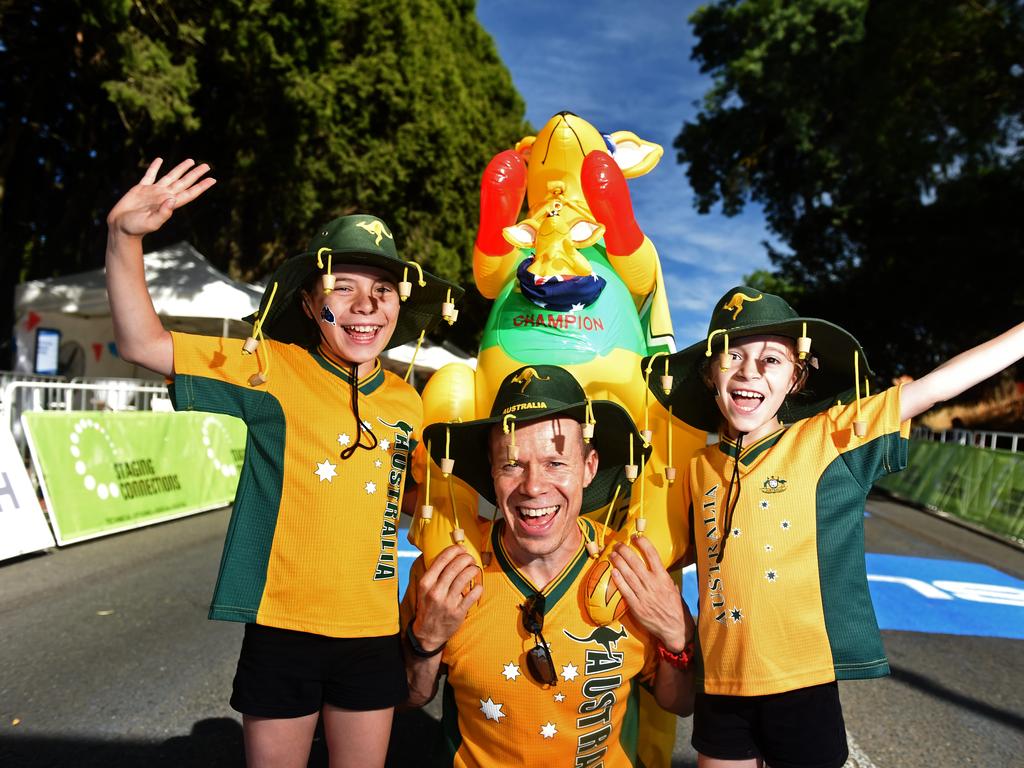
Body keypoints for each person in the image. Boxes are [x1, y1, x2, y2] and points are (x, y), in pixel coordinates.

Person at [105, 158, 462, 768]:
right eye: (341, 287)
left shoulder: (410, 401)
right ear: (307, 298)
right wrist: (124, 237)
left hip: (373, 633)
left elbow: (421, 496)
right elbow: (142, 343)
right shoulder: (270, 366)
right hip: (283, 628)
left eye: (382, 291)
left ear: (399, 307)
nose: (364, 306)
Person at [643, 285, 1024, 768]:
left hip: (802, 682)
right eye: (732, 356)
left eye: (771, 361)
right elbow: (664, 544)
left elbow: (935, 388)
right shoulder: (695, 467)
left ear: (796, 378)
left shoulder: (829, 437)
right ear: (708, 373)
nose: (749, 372)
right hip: (720, 685)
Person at [401, 364, 696, 767]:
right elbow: (408, 698)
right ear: (490, 471)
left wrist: (678, 640)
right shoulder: (447, 574)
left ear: (589, 467)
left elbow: (680, 702)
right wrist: (425, 642)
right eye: (511, 464)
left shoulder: (631, 572)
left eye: (556, 463)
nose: (534, 485)